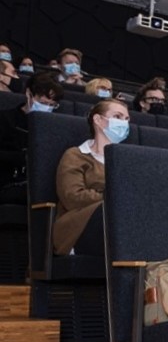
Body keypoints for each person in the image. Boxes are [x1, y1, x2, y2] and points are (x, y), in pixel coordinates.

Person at [53, 99, 130, 256]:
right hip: (78, 224)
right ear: (98, 120)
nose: (124, 123)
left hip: (119, 221)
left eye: (127, 119)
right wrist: (113, 198)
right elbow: (72, 197)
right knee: (118, 209)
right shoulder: (76, 155)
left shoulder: (128, 160)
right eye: (118, 116)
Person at [0, 72, 63, 203]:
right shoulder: (5, 119)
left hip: (42, 184)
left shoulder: (57, 127)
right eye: (43, 102)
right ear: (29, 94)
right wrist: (25, 157)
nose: (47, 108)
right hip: (10, 181)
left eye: (52, 105)